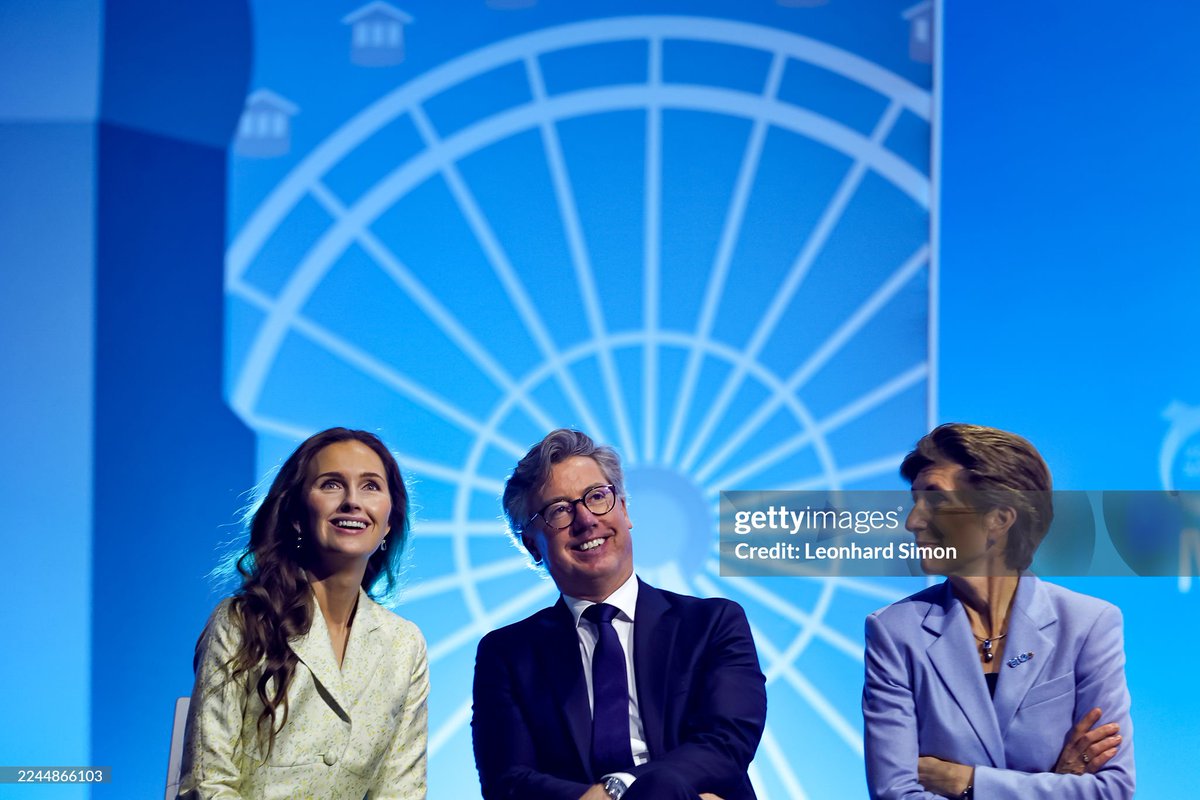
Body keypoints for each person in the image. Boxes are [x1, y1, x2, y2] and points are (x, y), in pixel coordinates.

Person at [471, 429, 767, 800]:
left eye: (597, 497)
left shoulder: (712, 623)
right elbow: (508, 781)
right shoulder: (507, 654)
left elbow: (727, 743)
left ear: (624, 510)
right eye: (559, 510)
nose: (585, 520)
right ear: (532, 544)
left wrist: (622, 789)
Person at [862, 423, 1134, 799]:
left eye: (935, 500)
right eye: (915, 502)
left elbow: (1110, 790)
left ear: (999, 518)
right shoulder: (894, 632)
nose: (913, 522)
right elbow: (895, 793)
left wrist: (967, 782)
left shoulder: (1088, 624)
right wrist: (1057, 781)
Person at [178, 427, 428, 799]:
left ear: (389, 520)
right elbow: (209, 782)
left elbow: (401, 791)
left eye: (371, 486)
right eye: (331, 485)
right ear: (296, 513)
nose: (352, 502)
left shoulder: (405, 645)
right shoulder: (240, 622)